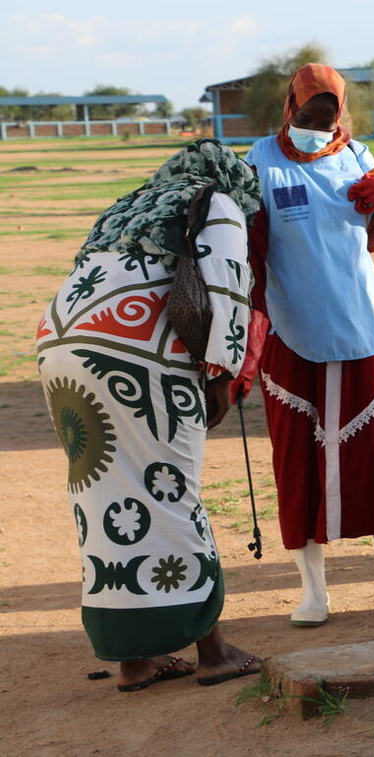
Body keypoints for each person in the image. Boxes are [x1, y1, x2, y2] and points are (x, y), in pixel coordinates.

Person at [36, 139, 264, 690]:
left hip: (61, 344)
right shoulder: (218, 201)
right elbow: (227, 288)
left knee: (103, 493)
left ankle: (135, 659)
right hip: (138, 351)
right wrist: (223, 374)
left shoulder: (129, 203)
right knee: (170, 487)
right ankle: (214, 651)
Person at [245, 63, 374, 627]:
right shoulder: (259, 161)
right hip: (290, 330)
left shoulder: (357, 156)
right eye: (308, 117)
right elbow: (247, 243)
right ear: (289, 110)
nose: (317, 127)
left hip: (356, 326)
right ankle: (313, 594)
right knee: (295, 462)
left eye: (328, 118)